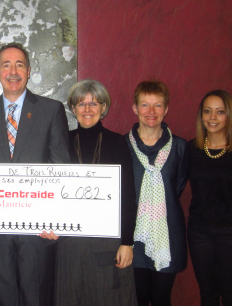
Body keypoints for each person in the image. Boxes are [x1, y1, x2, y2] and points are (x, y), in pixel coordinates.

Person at [0, 42, 70, 306]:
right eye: (6, 65)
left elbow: (62, 167)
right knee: (5, 299)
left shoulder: (51, 110)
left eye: (19, 64)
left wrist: (57, 220)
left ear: (29, 70)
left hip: (38, 230)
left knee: (37, 298)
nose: (13, 71)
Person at [51, 79, 137, 305]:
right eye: (81, 104)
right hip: (69, 241)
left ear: (103, 108)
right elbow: (49, 191)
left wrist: (127, 242)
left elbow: (128, 196)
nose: (87, 110)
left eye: (93, 103)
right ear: (72, 108)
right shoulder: (61, 142)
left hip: (106, 242)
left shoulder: (117, 143)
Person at [126, 81, 188, 306]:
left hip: (167, 236)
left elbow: (177, 188)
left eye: (157, 105)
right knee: (138, 299)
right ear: (135, 108)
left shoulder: (180, 147)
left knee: (162, 299)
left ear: (166, 109)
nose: (151, 112)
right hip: (134, 238)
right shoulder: (123, 146)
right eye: (145, 105)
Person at [187, 90, 232, 306]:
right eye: (207, 111)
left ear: (229, 116)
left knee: (231, 295)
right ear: (201, 116)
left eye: (220, 112)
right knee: (208, 294)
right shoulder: (191, 150)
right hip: (199, 232)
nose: (212, 118)